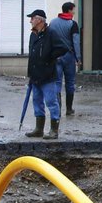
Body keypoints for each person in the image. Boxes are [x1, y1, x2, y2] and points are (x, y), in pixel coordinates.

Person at [25, 9, 68, 140]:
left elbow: (63, 47)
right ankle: (39, 129)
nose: (30, 21)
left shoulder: (51, 33)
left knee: (51, 102)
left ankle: (54, 130)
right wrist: (30, 74)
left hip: (47, 75)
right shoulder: (33, 35)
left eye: (32, 18)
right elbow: (32, 55)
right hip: (35, 75)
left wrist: (50, 57)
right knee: (37, 101)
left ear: (39, 20)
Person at [49, 1, 81, 116]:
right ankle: (69, 109)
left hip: (56, 56)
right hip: (68, 56)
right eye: (73, 9)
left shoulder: (52, 23)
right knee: (70, 82)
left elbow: (49, 40)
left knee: (57, 82)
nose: (74, 11)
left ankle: (58, 110)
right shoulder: (72, 24)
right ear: (69, 10)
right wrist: (78, 58)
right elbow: (76, 42)